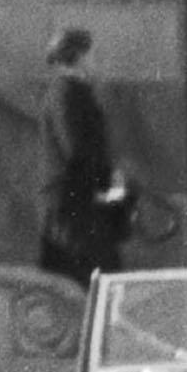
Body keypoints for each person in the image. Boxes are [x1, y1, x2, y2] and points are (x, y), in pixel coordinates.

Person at [37, 23, 136, 285]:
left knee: (101, 279)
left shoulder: (73, 93)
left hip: (82, 208)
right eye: (94, 54)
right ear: (79, 57)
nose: (97, 61)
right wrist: (111, 182)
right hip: (73, 213)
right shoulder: (65, 93)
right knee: (91, 283)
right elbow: (77, 151)